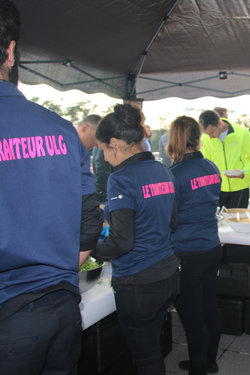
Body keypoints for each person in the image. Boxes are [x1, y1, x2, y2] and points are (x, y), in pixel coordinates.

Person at [0, 1, 104, 373]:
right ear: (11, 51)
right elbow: (90, 220)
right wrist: (61, 270)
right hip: (61, 307)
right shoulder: (62, 130)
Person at [93, 104, 180, 375]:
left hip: (138, 283)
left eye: (104, 150)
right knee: (152, 350)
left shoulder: (120, 179)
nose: (105, 158)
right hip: (168, 275)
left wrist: (91, 250)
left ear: (116, 143)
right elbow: (172, 223)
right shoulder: (163, 170)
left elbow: (122, 242)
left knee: (145, 359)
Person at [166, 116, 222, 375]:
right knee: (209, 306)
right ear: (198, 139)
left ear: (173, 139)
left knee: (192, 315)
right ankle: (209, 361)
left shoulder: (174, 174)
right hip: (211, 248)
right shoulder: (211, 167)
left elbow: (169, 217)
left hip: (187, 253)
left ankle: (198, 368)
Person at [199, 110, 250, 208]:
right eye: (207, 134)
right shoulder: (205, 138)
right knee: (220, 222)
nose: (210, 137)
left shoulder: (242, 133)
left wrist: (245, 172)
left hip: (240, 187)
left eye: (212, 132)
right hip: (217, 189)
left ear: (219, 123)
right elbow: (205, 163)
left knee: (238, 221)